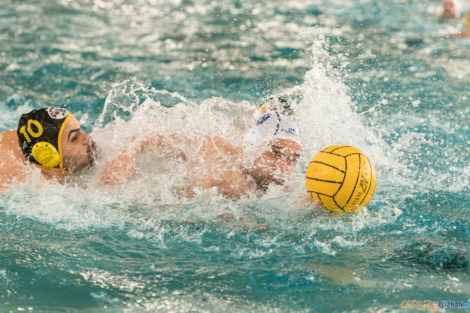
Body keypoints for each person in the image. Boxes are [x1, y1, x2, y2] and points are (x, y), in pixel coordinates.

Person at [0, 105, 302, 199]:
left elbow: (158, 130)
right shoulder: (33, 188)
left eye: (83, 129)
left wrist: (128, 154)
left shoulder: (108, 148)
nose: (88, 138)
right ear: (51, 157)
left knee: (231, 174)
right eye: (76, 138)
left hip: (191, 162)